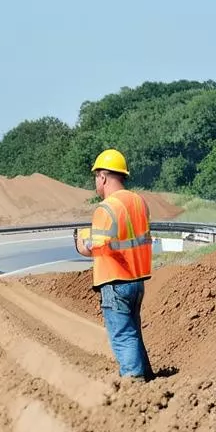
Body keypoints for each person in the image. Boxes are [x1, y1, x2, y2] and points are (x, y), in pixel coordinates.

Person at [74, 149, 154, 382]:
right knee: (133, 332)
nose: (96, 182)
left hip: (115, 280)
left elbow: (96, 248)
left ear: (103, 176)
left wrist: (80, 244)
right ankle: (147, 377)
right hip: (137, 279)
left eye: (96, 177)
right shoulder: (140, 202)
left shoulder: (106, 208)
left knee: (122, 334)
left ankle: (134, 381)